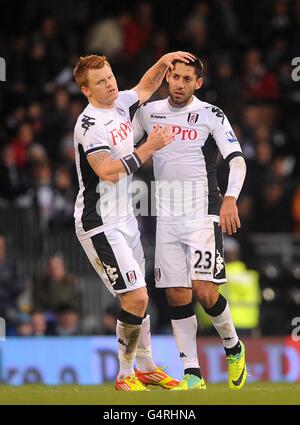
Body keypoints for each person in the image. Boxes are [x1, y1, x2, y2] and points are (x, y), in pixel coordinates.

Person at [73, 51, 195, 391]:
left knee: (137, 296)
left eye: (110, 77)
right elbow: (107, 172)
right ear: (86, 90)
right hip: (99, 223)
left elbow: (144, 86)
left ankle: (146, 367)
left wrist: (163, 61)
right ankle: (125, 375)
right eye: (100, 82)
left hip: (125, 218)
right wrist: (149, 146)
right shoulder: (89, 126)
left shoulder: (120, 103)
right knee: (137, 298)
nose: (110, 85)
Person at [133, 56, 247, 390]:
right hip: (166, 216)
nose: (179, 84)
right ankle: (192, 375)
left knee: (205, 291)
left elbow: (237, 161)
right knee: (176, 295)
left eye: (187, 79)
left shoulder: (211, 115)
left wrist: (230, 199)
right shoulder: (148, 112)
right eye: (175, 77)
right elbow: (126, 145)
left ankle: (233, 346)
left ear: (198, 83)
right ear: (167, 77)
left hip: (202, 214)